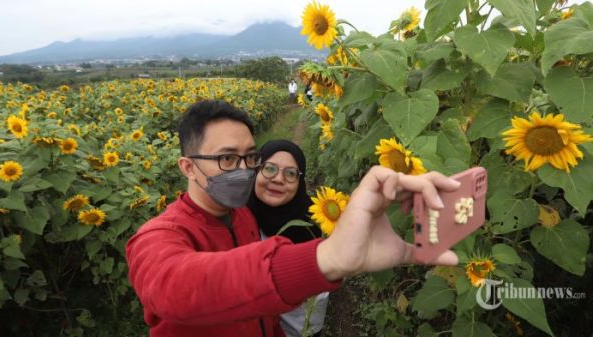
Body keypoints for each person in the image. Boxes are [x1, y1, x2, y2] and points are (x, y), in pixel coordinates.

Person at [125, 100, 460, 337]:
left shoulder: (242, 216)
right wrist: (326, 258)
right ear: (187, 166)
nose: (244, 170)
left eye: (250, 157)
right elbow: (178, 288)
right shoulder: (157, 236)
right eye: (227, 158)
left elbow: (263, 312)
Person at [247, 140, 326, 337]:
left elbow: (315, 297)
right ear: (256, 171)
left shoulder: (311, 223)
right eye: (269, 169)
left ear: (300, 182)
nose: (278, 179)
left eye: (290, 173)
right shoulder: (236, 214)